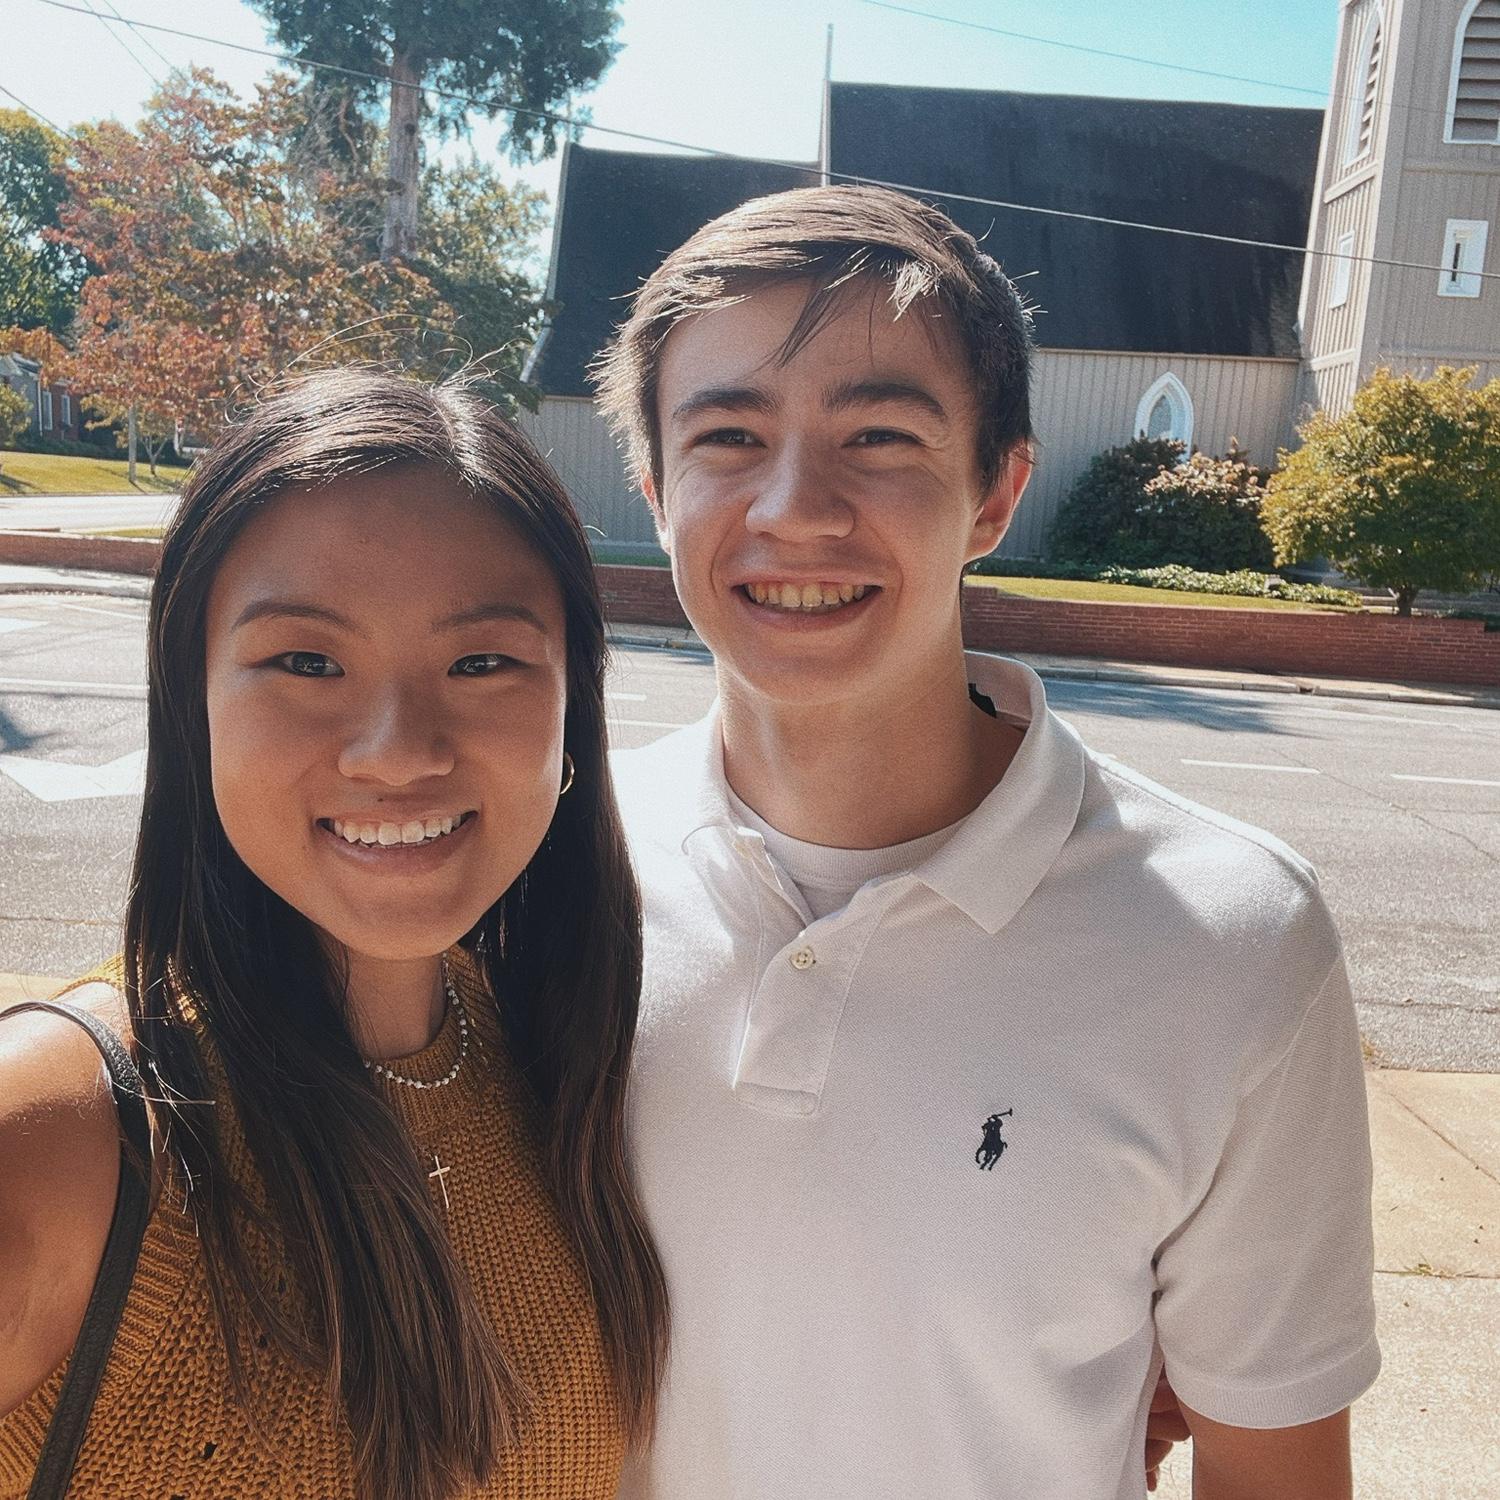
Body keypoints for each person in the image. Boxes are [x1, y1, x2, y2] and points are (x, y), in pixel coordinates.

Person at [594, 186, 1379, 1498]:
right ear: (657, 487)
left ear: (997, 491)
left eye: (881, 437)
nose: (796, 506)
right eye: (729, 435)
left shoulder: (1235, 937)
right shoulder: (545, 871)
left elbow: (1274, 1467)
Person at [0, 369, 668, 1499]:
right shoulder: (60, 1138)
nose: (397, 750)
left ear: (573, 713)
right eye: (306, 662)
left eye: (483, 661)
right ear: (192, 701)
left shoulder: (573, 1069)